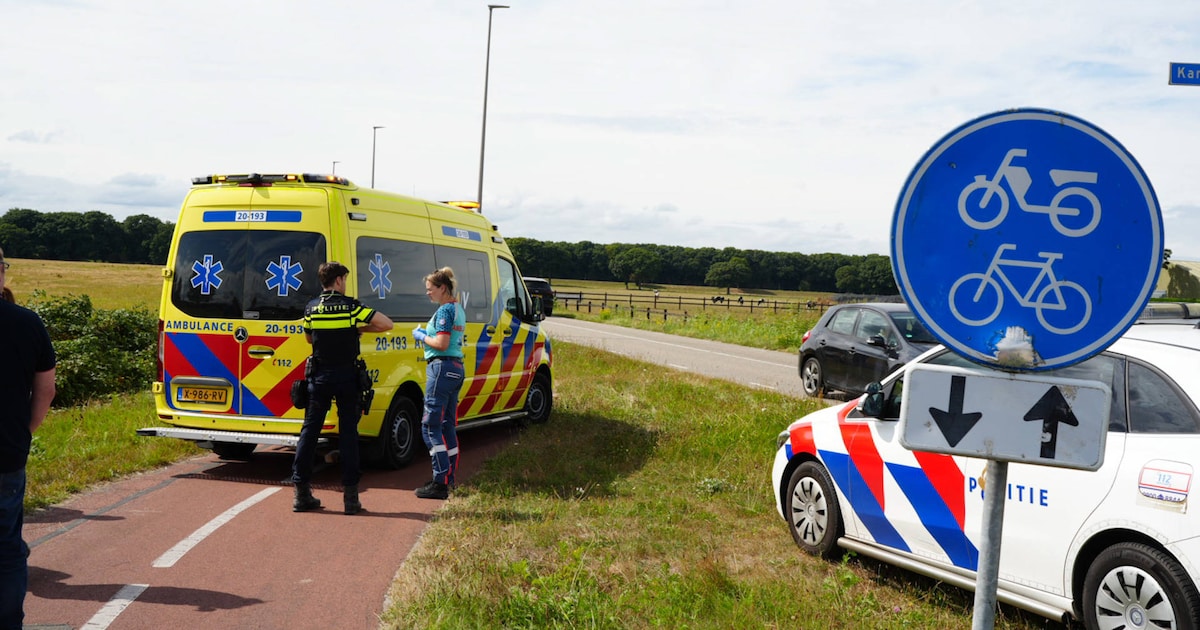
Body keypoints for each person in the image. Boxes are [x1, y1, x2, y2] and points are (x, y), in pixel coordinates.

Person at [291, 262, 392, 515]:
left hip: (320, 377)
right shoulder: (351, 307)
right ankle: (351, 499)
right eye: (344, 279)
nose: (345, 283)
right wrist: (356, 328)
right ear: (338, 280)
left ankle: (301, 494)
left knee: (309, 432)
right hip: (347, 378)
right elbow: (386, 324)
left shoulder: (311, 308)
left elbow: (309, 338)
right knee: (348, 435)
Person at [0, 249, 56, 629]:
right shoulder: (27, 322)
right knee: (6, 549)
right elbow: (46, 390)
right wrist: (24, 433)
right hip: (6, 453)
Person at [411, 267, 466, 500]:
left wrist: (422, 336)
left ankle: (439, 482)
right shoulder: (457, 308)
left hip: (441, 368)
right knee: (447, 426)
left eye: (430, 288)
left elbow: (442, 343)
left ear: (442, 288)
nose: (428, 293)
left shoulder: (444, 310)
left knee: (430, 427)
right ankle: (449, 479)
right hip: (456, 368)